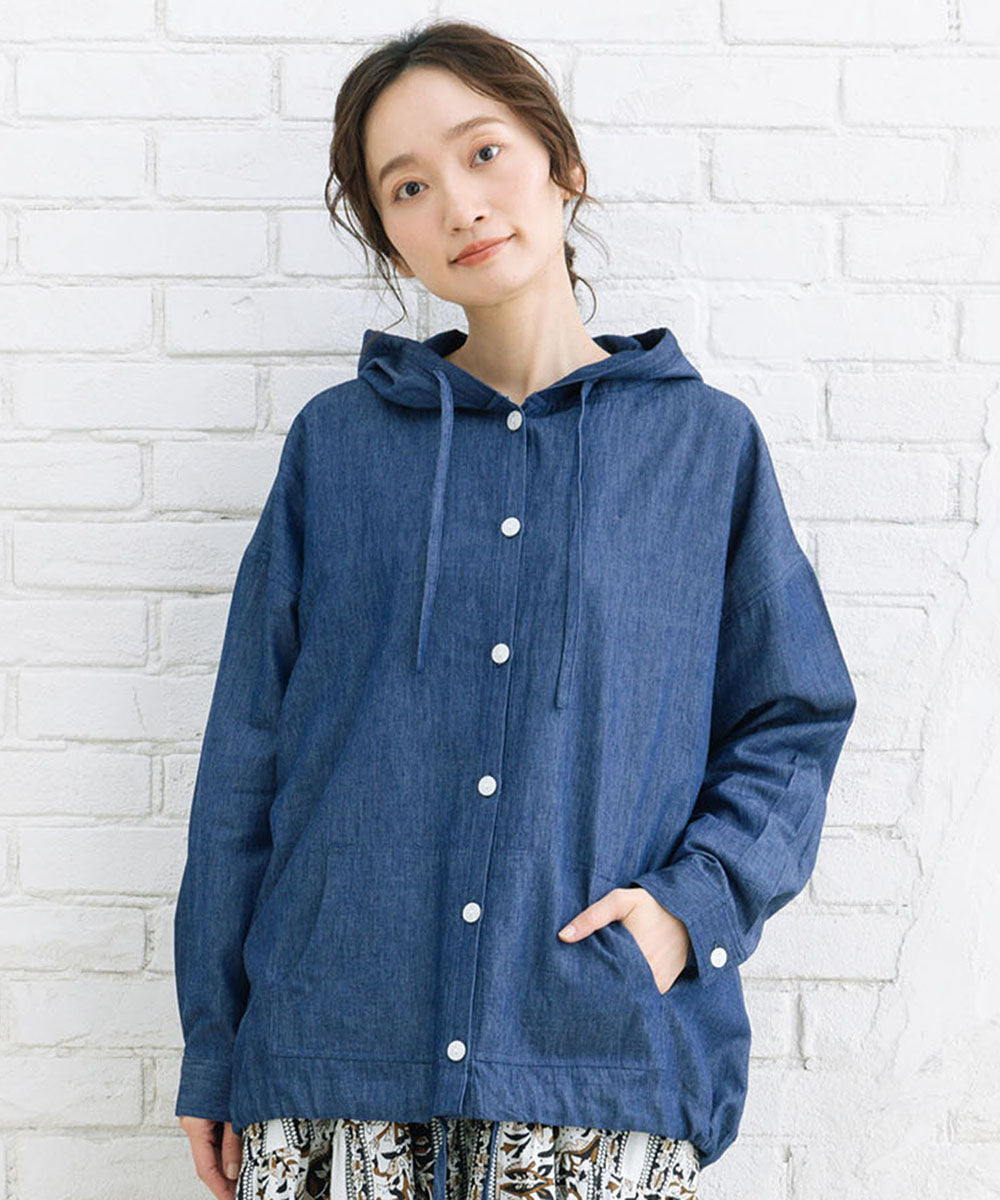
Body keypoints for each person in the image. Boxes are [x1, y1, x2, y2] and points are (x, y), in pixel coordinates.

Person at [173, 18, 857, 1200]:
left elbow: (792, 719)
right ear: (387, 231)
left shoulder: (701, 447)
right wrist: (214, 1046)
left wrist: (684, 912)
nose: (458, 203)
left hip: (592, 1068)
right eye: (407, 186)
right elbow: (247, 754)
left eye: (483, 152)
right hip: (331, 1059)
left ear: (560, 163)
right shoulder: (336, 447)